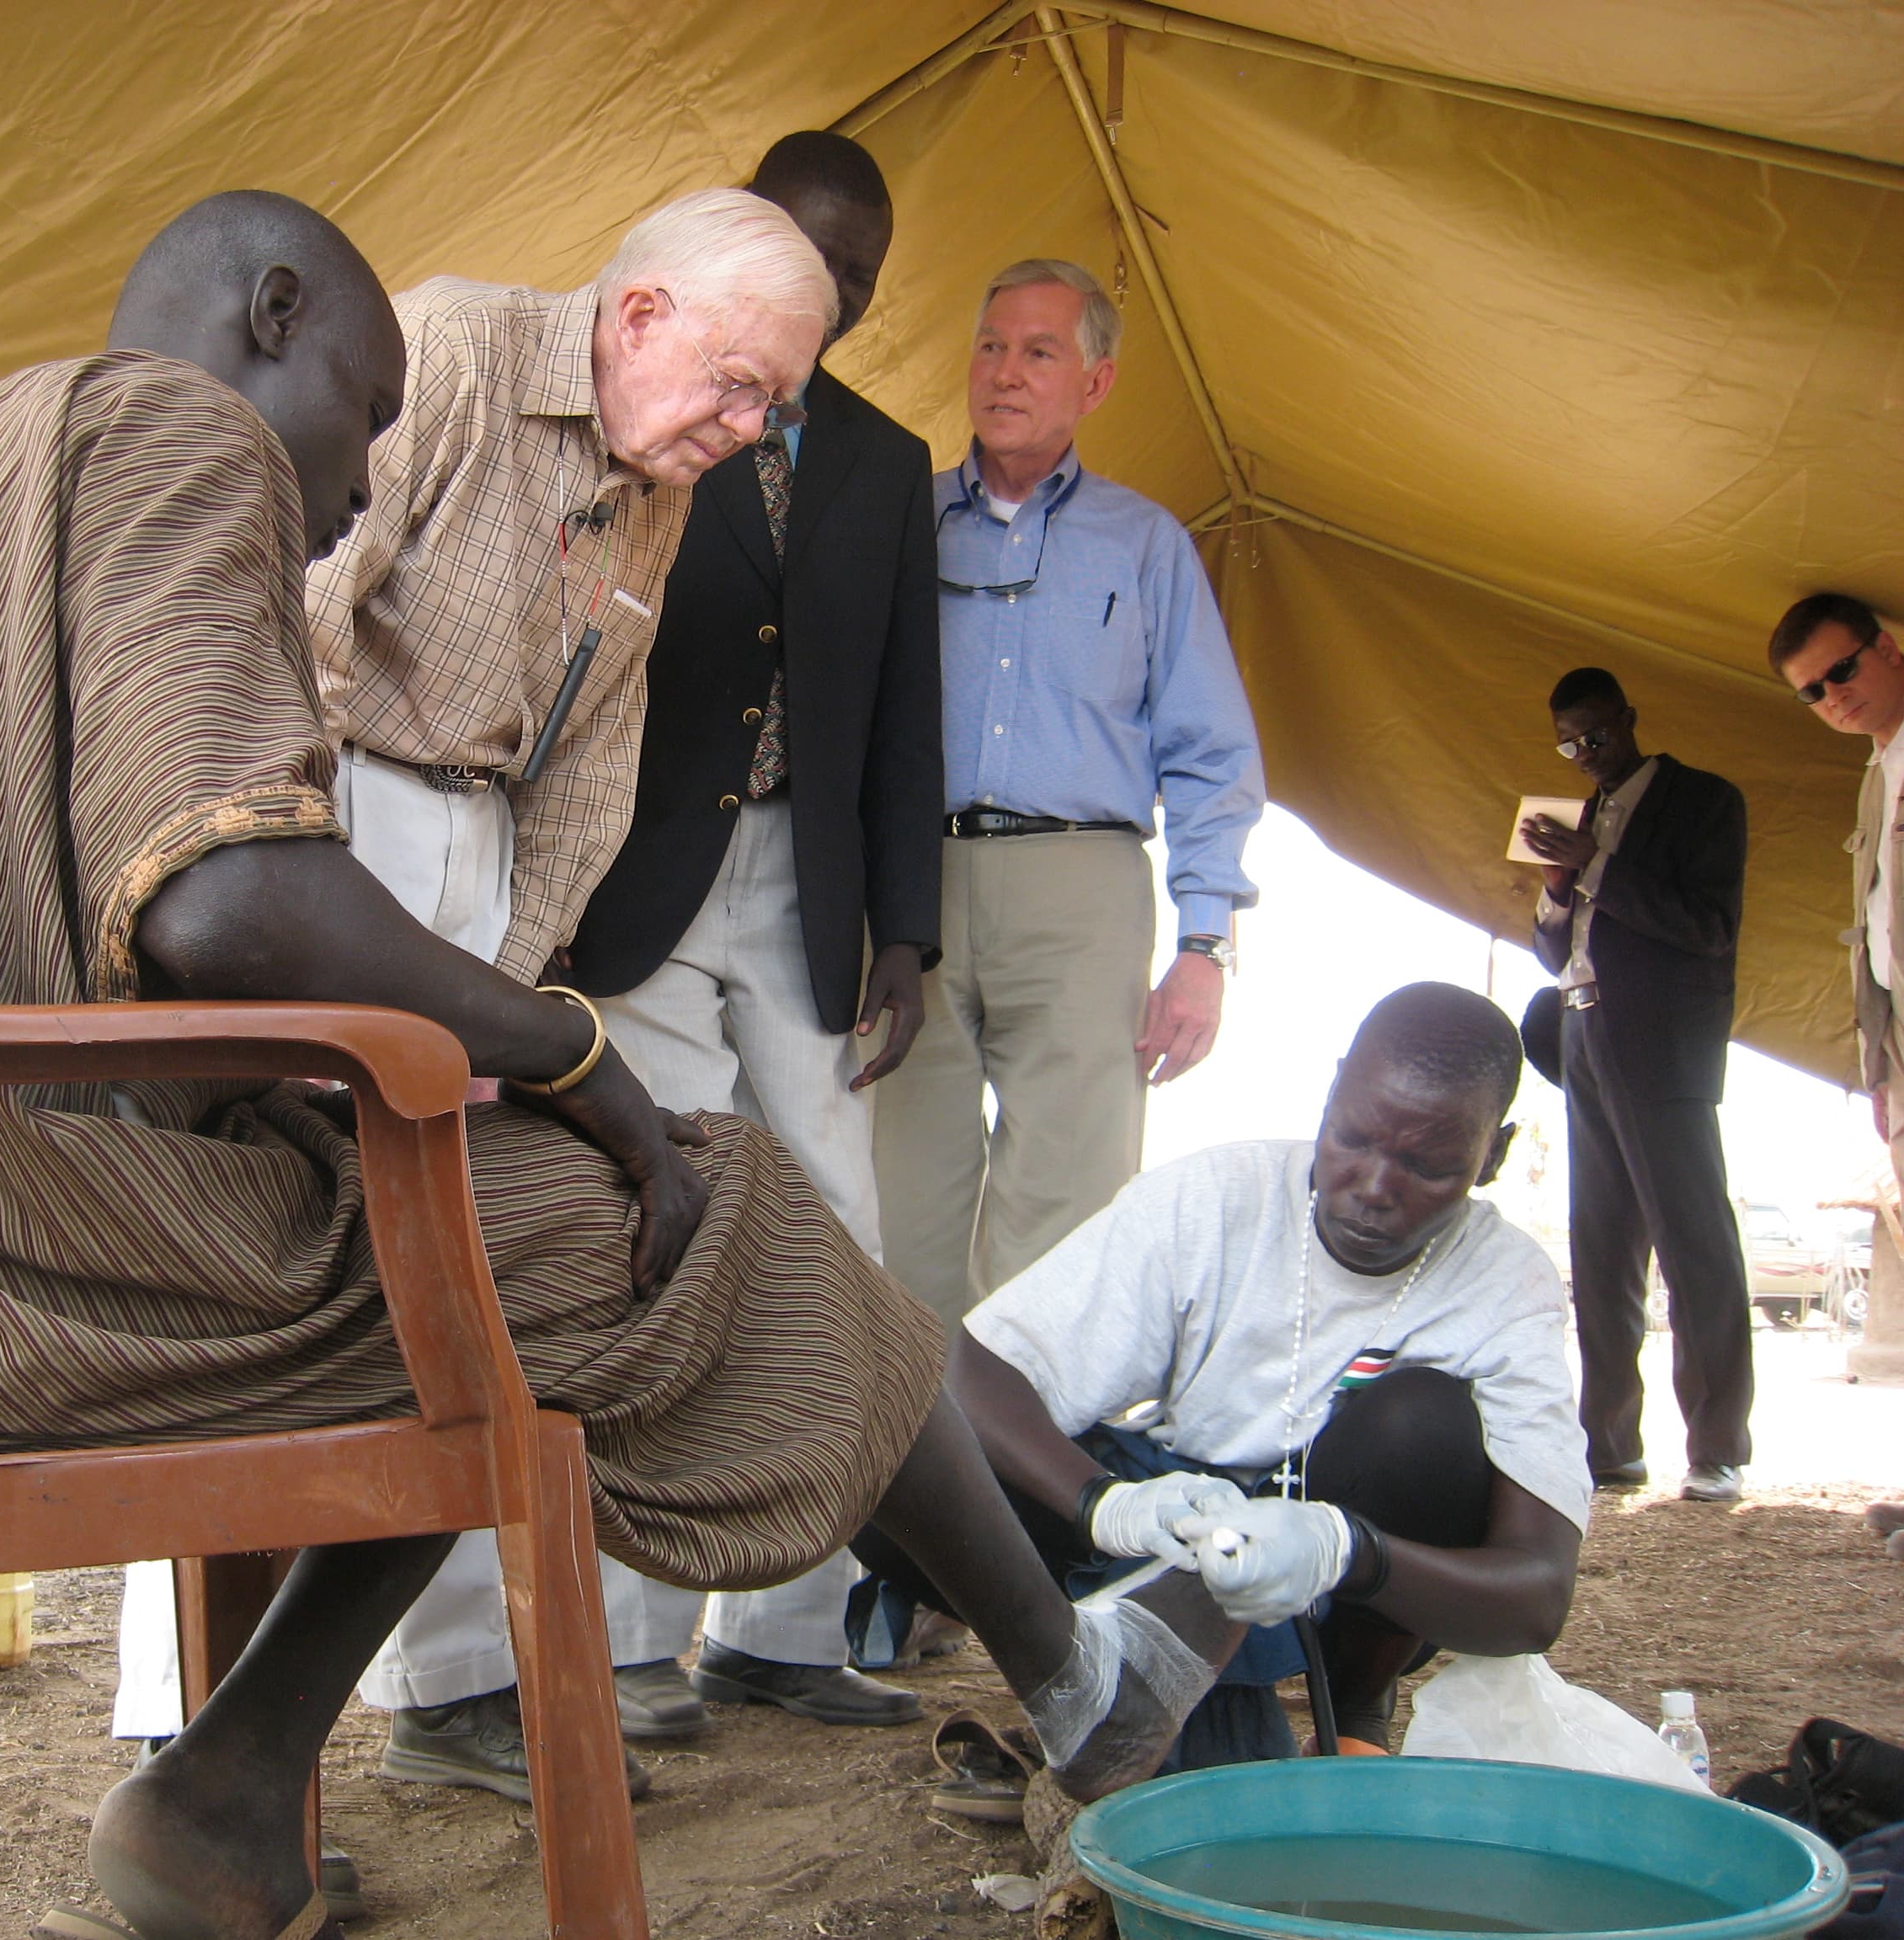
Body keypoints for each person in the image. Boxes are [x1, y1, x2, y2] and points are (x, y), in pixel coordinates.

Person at [0, 191, 1223, 1940]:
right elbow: (233, 894)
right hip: (4, 1264)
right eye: (363, 415)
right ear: (271, 314)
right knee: (696, 1205)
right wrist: (570, 1053)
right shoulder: (169, 429)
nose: (354, 490)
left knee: (486, 1231)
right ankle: (1081, 1683)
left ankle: (230, 1791)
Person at [104, 184, 841, 1809]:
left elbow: (593, 769)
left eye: (770, 402)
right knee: (243, 1238)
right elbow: (287, 605)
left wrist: (507, 1006)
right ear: (638, 313)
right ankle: (185, 1720)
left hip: (477, 860)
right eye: (735, 380)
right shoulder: (440, 347)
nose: (747, 424)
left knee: (440, 1255)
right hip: (316, 817)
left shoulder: (661, 477)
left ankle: (444, 1692)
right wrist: (298, 855)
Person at [560, 131, 941, 1738]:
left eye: (858, 274)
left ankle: (785, 1627)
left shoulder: (884, 459)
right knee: (662, 1230)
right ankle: (633, 1642)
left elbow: (906, 710)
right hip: (640, 875)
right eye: (810, 252)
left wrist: (906, 933)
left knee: (840, 1236)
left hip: (810, 889)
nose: (835, 292)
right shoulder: (644, 400)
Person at [855, 983, 1588, 1781]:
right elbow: (977, 1370)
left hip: (1341, 1573)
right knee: (891, 1452)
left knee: (1425, 1424)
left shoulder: (1506, 1284)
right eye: (1353, 1138)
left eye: (1429, 1167)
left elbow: (1537, 1594)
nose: (1375, 1186)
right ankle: (1076, 1690)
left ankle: (1351, 1715)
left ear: (1496, 1155)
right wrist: (1104, 1503)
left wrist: (1350, 1552)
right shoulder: (1217, 1198)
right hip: (1163, 1525)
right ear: (1333, 1090)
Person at [871, 258, 1263, 1332]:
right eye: (991, 346)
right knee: (900, 1202)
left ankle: (1024, 1475)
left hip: (1083, 891)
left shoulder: (1146, 545)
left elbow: (1211, 753)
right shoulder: (899, 522)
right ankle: (910, 1477)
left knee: (1072, 1207)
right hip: (913, 888)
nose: (1006, 373)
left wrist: (1204, 947)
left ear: (1096, 385)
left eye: (1040, 351)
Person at [1521, 668, 1751, 1503]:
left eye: (1597, 734)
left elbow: (1710, 928)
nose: (1584, 753)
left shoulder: (1704, 801)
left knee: (1695, 1246)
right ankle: (1609, 1448)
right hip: (1581, 1029)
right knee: (1602, 1246)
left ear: (1630, 717)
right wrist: (1556, 888)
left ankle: (1718, 1448)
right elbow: (1557, 952)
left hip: (1662, 1043)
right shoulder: (1579, 818)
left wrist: (1599, 865)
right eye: (1568, 742)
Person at [1771, 594, 1904, 1171]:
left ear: (1888, 649)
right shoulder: (1877, 772)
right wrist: (1880, 1070)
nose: (1833, 696)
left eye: (1841, 671)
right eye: (1811, 692)